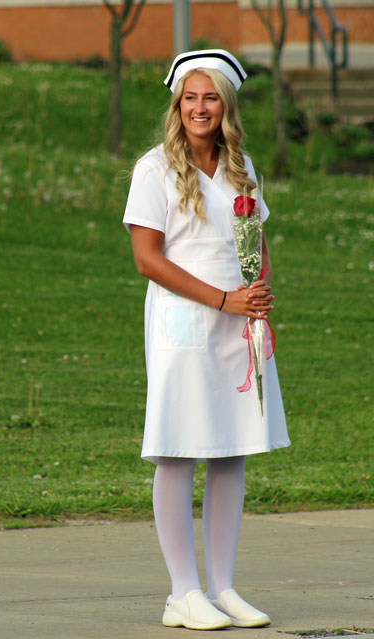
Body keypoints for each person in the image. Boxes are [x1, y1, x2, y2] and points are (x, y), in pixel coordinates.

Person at [122, 49, 290, 630]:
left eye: (211, 97)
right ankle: (182, 592)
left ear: (226, 106)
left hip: (238, 324)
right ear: (177, 104)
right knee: (178, 449)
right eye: (190, 98)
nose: (200, 108)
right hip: (185, 325)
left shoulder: (241, 167)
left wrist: (259, 307)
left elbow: (258, 244)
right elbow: (147, 259)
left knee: (231, 450)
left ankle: (223, 586)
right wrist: (222, 301)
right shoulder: (154, 169)